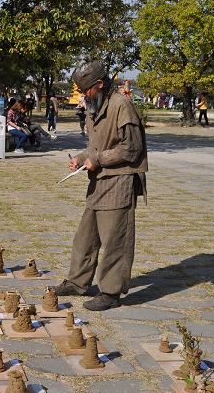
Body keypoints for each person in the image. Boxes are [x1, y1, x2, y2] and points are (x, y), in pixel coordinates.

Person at [52, 61, 148, 311]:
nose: (84, 95)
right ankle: (78, 282)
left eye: (87, 90)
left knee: (115, 240)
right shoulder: (96, 105)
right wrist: (82, 158)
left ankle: (111, 292)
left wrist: (97, 160)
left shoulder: (121, 105)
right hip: (99, 182)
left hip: (120, 181)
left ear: (100, 84)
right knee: (85, 238)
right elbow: (98, 147)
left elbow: (131, 148)